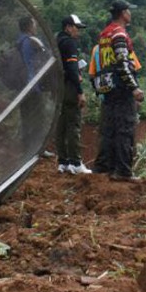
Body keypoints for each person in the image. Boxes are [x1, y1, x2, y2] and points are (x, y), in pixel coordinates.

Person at [92, 0, 145, 182]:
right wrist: (134, 88)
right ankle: (122, 171)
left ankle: (103, 168)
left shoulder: (104, 34)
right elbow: (123, 64)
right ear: (123, 13)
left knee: (109, 129)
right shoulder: (119, 34)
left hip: (107, 87)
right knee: (125, 129)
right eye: (129, 11)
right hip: (121, 88)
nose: (130, 14)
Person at [55, 14, 91, 175]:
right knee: (73, 124)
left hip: (57, 87)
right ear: (68, 27)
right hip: (69, 87)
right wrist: (80, 91)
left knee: (61, 125)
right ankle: (76, 163)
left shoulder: (56, 41)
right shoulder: (69, 43)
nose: (78, 32)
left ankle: (63, 162)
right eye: (77, 28)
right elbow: (71, 69)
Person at [16, 15, 51, 151]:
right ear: (29, 26)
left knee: (26, 117)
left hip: (22, 86)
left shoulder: (19, 41)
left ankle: (27, 147)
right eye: (34, 24)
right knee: (39, 117)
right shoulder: (32, 41)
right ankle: (38, 148)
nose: (35, 26)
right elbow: (46, 58)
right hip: (33, 85)